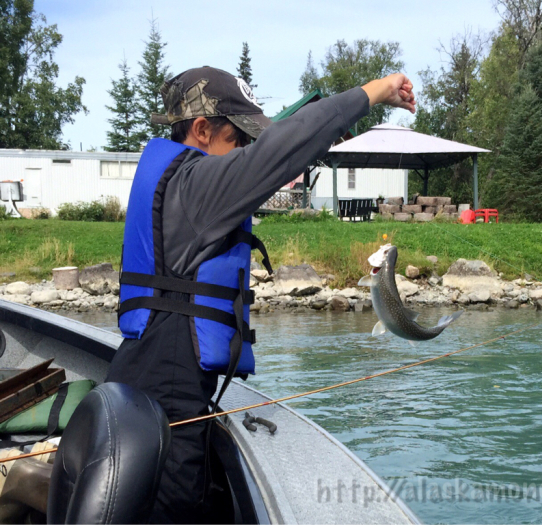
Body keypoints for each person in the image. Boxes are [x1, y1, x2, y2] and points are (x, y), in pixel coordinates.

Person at [106, 65, 416, 523]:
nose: (246, 152)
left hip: (144, 373)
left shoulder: (174, 182)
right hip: (168, 393)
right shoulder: (196, 186)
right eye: (240, 140)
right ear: (201, 129)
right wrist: (376, 91)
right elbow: (288, 145)